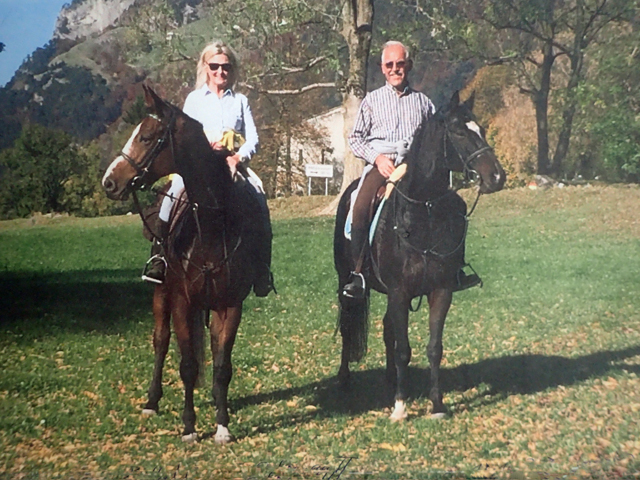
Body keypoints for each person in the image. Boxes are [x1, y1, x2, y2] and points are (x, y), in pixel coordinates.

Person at [342, 41, 480, 299]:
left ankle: (455, 269)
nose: (395, 69)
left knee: (454, 205)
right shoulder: (372, 101)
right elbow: (356, 139)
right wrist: (378, 158)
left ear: (409, 66)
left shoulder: (423, 103)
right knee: (359, 205)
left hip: (414, 168)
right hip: (381, 166)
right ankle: (359, 274)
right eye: (389, 65)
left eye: (400, 64)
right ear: (383, 69)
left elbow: (433, 140)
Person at [142, 40, 274, 297]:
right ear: (206, 67)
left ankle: (261, 267)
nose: (220, 72)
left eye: (225, 67)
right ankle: (159, 257)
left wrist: (237, 158)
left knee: (259, 198)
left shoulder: (240, 101)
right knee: (172, 198)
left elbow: (253, 138)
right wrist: (203, 149)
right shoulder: (194, 99)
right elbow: (184, 136)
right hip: (199, 168)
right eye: (215, 66)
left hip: (232, 165)